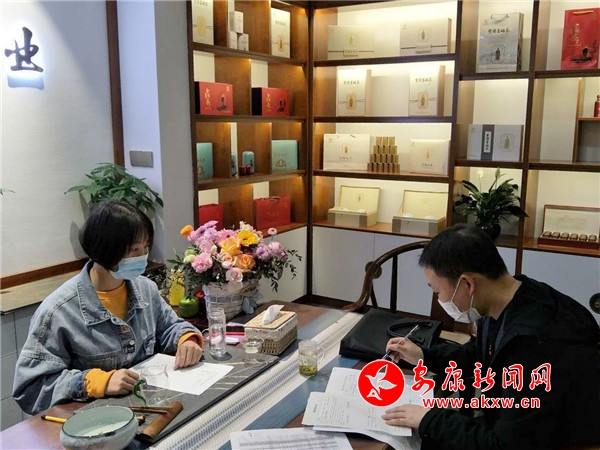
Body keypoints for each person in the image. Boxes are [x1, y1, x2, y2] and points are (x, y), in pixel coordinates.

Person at [382, 224, 600, 450]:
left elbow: (504, 445)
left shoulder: (531, 343)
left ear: (467, 284)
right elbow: (480, 355)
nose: (440, 299)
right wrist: (424, 356)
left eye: (437, 291)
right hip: (519, 423)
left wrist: (429, 418)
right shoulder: (510, 297)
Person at [13, 201, 203, 415]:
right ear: (104, 250)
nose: (143, 257)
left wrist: (186, 339)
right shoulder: (58, 311)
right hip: (94, 423)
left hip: (148, 410)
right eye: (134, 250)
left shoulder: (146, 289)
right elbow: (30, 388)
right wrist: (95, 382)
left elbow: (169, 327)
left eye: (146, 248)